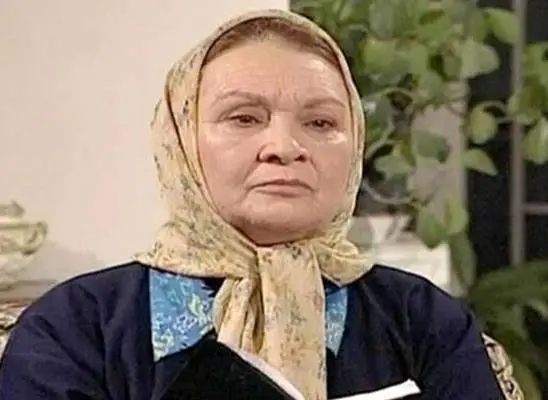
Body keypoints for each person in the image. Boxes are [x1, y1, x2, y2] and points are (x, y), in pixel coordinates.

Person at [0, 9, 520, 400]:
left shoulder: (421, 320)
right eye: (244, 118)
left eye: (321, 123)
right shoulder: (77, 326)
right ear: (180, 140)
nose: (284, 147)